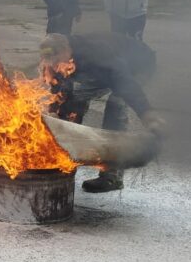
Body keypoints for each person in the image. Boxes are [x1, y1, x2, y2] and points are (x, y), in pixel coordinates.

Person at [40, 32, 165, 192]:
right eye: (51, 61)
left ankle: (112, 176)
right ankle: (65, 159)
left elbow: (125, 82)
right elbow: (59, 87)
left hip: (137, 66)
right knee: (74, 100)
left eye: (57, 60)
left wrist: (146, 112)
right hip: (99, 72)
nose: (55, 65)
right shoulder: (58, 57)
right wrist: (55, 115)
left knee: (115, 105)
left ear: (66, 50)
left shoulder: (97, 54)